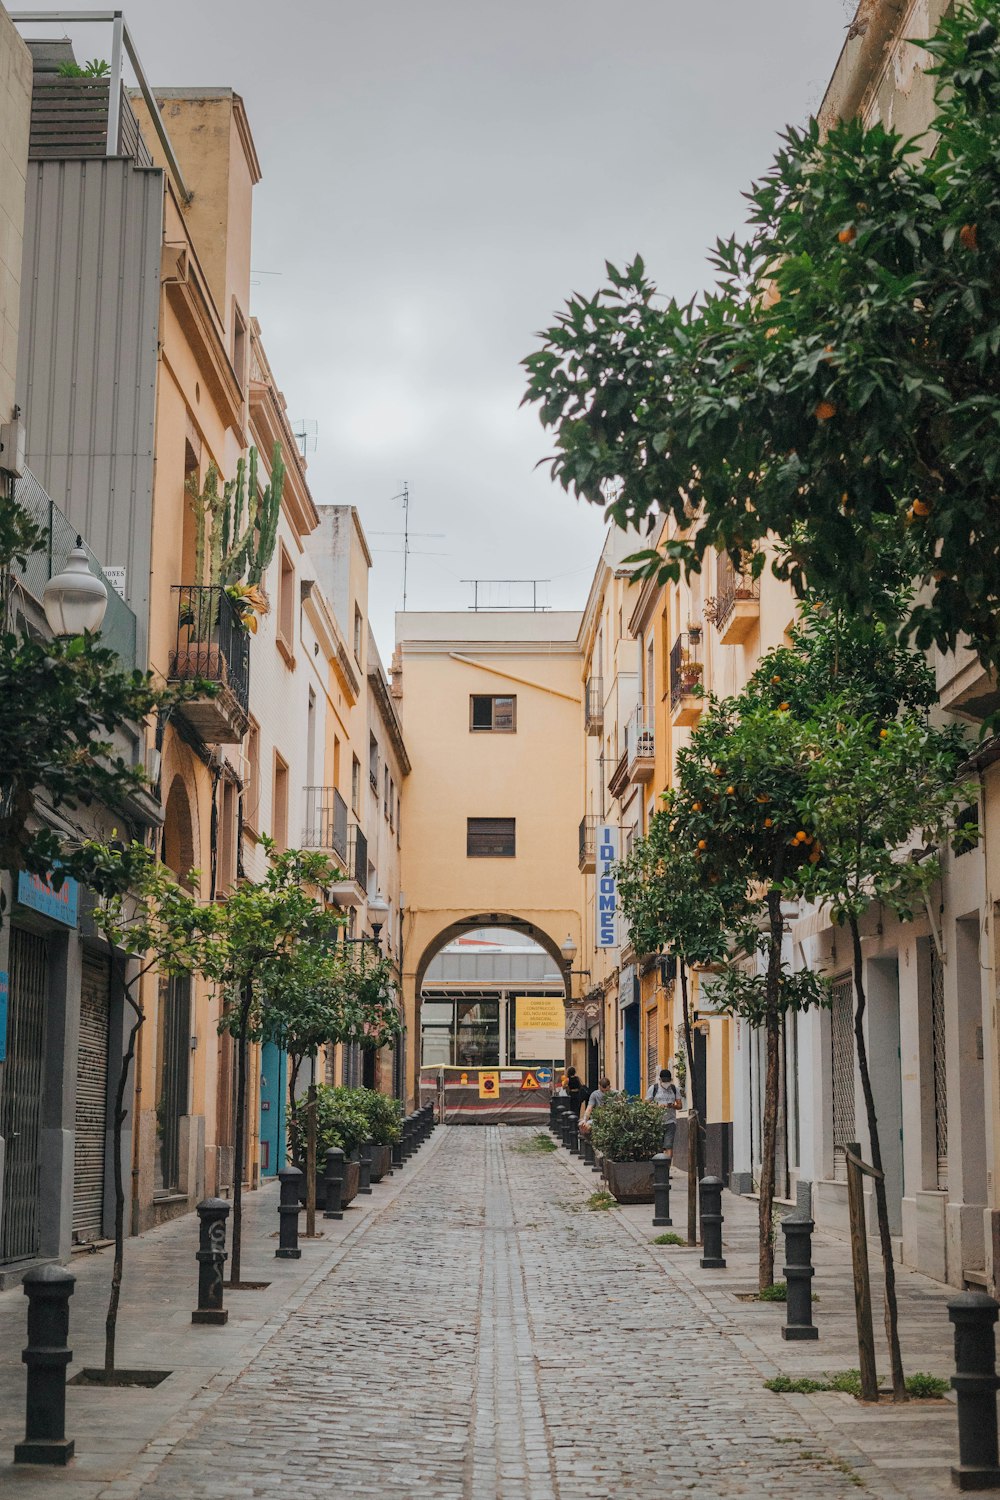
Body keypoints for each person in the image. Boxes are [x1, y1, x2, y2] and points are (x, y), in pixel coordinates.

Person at [646, 1067, 683, 1162]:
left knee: (668, 1146)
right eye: (664, 1081)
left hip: (670, 1121)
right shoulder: (653, 1088)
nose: (666, 1083)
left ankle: (667, 1169)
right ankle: (659, 1169)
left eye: (668, 1081)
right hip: (656, 1122)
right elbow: (646, 1105)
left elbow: (680, 1106)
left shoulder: (674, 1089)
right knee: (658, 1147)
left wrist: (672, 1106)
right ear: (660, 1080)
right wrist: (657, 1106)